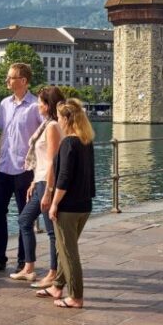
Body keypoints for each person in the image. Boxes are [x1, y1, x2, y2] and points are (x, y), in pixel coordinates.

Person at [0, 62, 43, 274]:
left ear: (23, 81)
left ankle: (23, 261)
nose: (7, 80)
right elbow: (4, 136)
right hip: (4, 167)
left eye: (11, 77)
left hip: (25, 169)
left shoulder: (36, 106)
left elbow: (43, 138)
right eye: (8, 77)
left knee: (23, 217)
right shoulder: (4, 104)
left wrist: (38, 169)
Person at [35, 99, 95, 309]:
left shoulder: (69, 142)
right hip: (84, 205)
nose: (57, 121)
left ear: (67, 119)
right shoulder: (86, 140)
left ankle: (76, 296)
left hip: (68, 207)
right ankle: (57, 285)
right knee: (64, 248)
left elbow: (64, 178)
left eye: (59, 117)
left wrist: (54, 203)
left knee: (69, 253)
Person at [13, 86, 64, 285]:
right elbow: (42, 159)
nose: (38, 105)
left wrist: (48, 191)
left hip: (47, 182)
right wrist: (34, 181)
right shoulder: (46, 124)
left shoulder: (52, 127)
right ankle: (29, 267)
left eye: (41, 102)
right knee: (24, 220)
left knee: (51, 231)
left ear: (48, 105)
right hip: (40, 180)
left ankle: (53, 273)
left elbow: (52, 160)